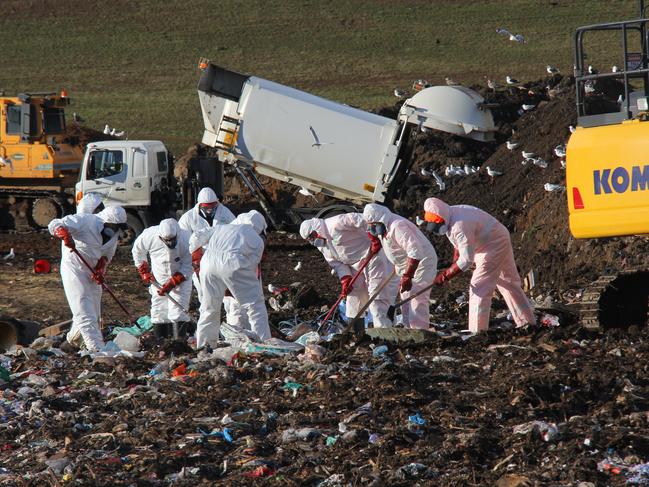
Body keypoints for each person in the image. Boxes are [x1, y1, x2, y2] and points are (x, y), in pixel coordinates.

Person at [423, 197, 535, 333]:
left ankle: (477, 332)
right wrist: (452, 266)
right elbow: (458, 247)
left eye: (438, 224)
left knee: (479, 287)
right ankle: (527, 322)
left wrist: (445, 275)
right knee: (509, 283)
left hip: (491, 246)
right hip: (497, 237)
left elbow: (466, 260)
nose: (437, 228)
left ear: (442, 218)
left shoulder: (459, 225)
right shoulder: (451, 215)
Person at [48, 206, 127, 352]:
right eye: (112, 226)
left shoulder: (113, 236)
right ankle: (96, 349)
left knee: (94, 312)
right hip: (75, 269)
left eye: (117, 227)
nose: (114, 229)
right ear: (104, 221)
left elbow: (107, 255)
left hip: (91, 272)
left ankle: (70, 342)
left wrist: (101, 267)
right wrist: (63, 233)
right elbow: (55, 224)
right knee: (83, 307)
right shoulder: (85, 221)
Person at [299, 213, 397, 327]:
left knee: (377, 295)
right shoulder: (322, 246)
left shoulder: (336, 223)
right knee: (354, 296)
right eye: (309, 240)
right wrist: (345, 279)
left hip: (373, 257)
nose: (312, 241)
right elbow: (337, 263)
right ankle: (356, 330)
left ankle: (383, 331)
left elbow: (362, 220)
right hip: (354, 265)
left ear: (316, 230)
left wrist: (373, 237)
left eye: (312, 237)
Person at [192, 210, 270, 347]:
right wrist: (235, 289)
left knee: (209, 308)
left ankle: (204, 345)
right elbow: (252, 268)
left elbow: (197, 236)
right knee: (255, 307)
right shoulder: (256, 239)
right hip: (233, 264)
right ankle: (264, 345)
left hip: (208, 263)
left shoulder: (223, 227)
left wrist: (196, 257)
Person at [362, 204, 437, 329]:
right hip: (405, 265)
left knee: (416, 299)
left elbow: (415, 251)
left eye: (373, 225)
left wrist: (408, 275)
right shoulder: (384, 227)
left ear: (380, 220)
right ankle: (409, 332)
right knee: (406, 301)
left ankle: (420, 332)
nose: (371, 228)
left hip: (422, 263)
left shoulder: (397, 226)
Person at [132, 218, 193, 339]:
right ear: (160, 237)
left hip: (181, 280)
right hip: (158, 279)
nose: (170, 243)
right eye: (167, 241)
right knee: (159, 311)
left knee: (178, 311)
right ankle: (161, 343)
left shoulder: (187, 239)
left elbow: (189, 264)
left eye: (173, 240)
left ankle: (178, 343)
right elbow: (138, 251)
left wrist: (173, 282)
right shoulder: (148, 236)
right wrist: (143, 269)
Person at [178, 187, 235, 302]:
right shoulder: (188, 218)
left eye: (212, 206)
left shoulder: (225, 213)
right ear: (200, 205)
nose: (209, 210)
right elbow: (182, 240)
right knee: (203, 291)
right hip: (199, 259)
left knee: (226, 289)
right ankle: (206, 313)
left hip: (222, 257)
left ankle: (228, 315)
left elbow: (235, 231)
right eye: (206, 207)